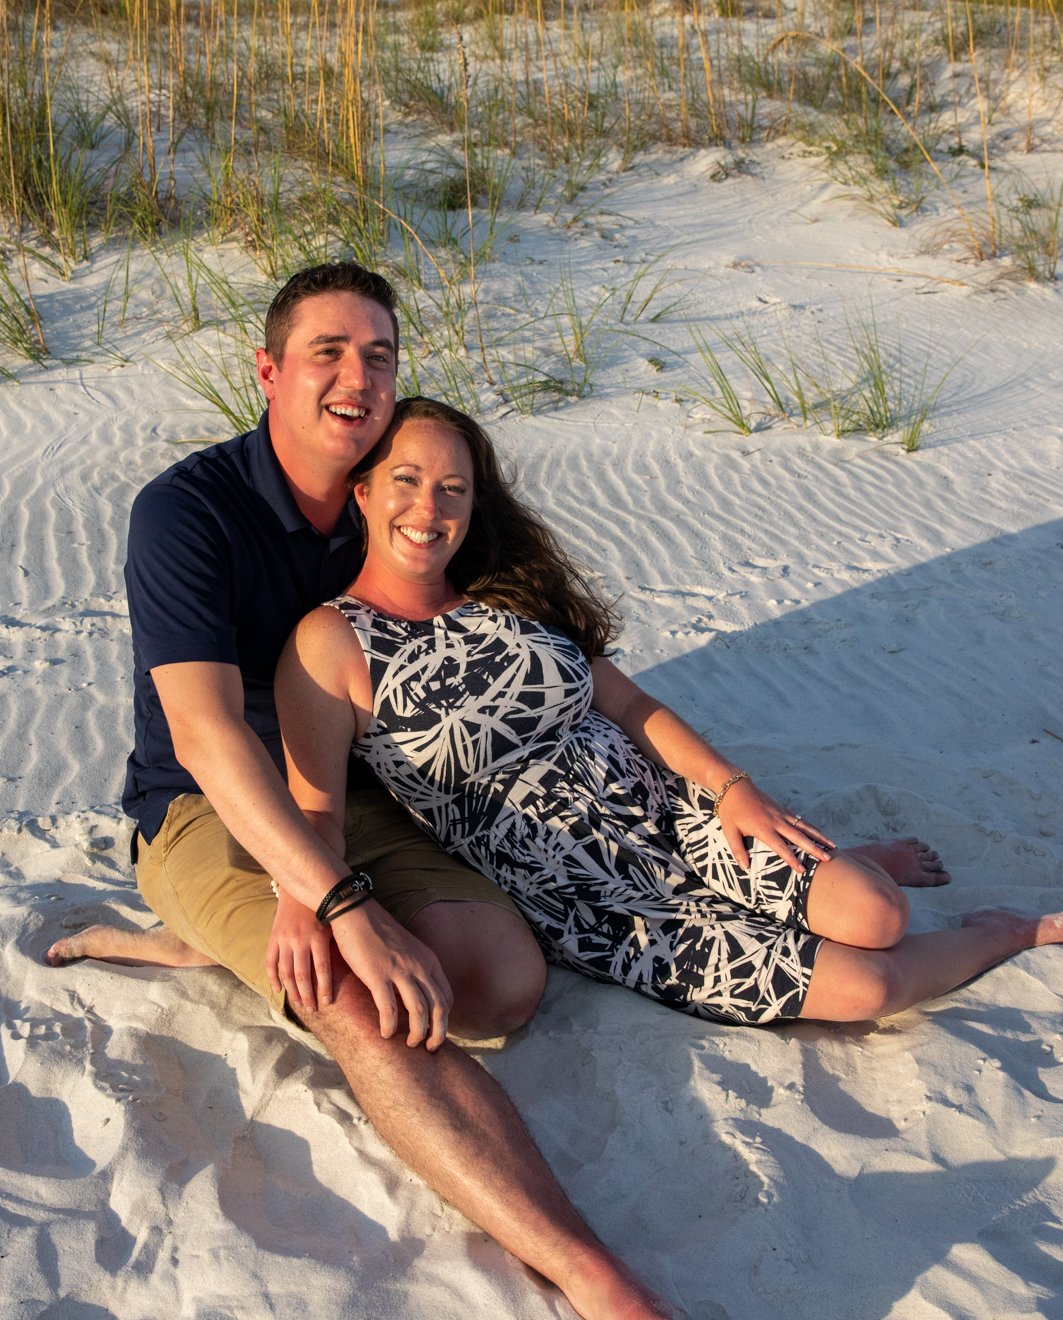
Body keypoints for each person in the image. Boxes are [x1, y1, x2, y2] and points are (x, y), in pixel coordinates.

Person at [44, 265, 678, 1319]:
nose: (358, 378)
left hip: (361, 787)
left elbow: (531, 637)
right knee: (358, 992)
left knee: (499, 985)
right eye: (328, 353)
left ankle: (215, 946)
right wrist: (330, 896)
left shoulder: (398, 492)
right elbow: (205, 735)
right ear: (268, 371)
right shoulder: (188, 514)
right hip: (208, 807)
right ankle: (591, 1275)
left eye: (378, 356)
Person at [272, 397, 1063, 1028]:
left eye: (453, 488)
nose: (429, 509)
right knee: (871, 987)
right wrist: (308, 908)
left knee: (879, 916)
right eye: (407, 481)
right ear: (362, 493)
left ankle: (863, 869)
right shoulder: (331, 643)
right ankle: (1008, 932)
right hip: (598, 899)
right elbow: (316, 814)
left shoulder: (508, 597)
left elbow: (629, 703)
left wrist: (733, 790)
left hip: (677, 816)